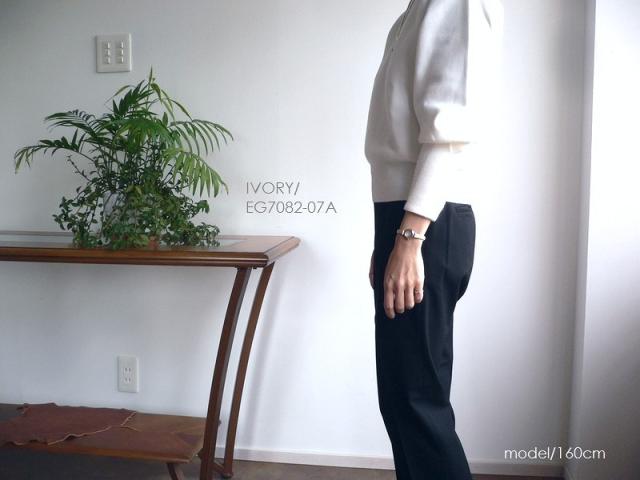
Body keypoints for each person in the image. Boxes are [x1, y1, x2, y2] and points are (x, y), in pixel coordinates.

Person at [364, 0, 503, 478]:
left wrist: (409, 236)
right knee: (401, 399)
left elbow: (448, 128)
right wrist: (391, 239)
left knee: (417, 402)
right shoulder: (415, 10)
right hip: (409, 219)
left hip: (427, 222)